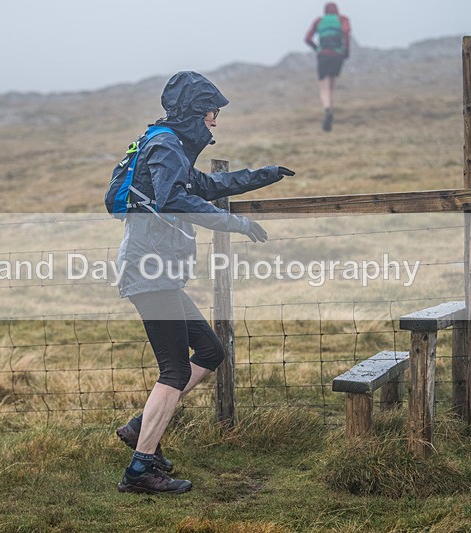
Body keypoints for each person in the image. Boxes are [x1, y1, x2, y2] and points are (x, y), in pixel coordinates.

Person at [113, 71, 295, 495]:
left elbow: (206, 185)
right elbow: (173, 198)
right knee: (174, 370)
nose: (216, 121)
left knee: (211, 351)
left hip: (162, 276)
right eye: (213, 112)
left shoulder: (168, 146)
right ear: (196, 111)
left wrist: (262, 175)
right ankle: (140, 470)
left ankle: (143, 428)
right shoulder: (165, 145)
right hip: (149, 274)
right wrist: (236, 224)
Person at [304, 2, 351, 132]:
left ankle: (327, 109)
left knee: (323, 86)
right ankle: (330, 115)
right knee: (331, 85)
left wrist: (316, 48)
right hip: (337, 54)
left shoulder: (319, 21)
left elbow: (307, 38)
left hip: (323, 54)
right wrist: (346, 51)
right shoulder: (343, 19)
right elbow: (346, 33)